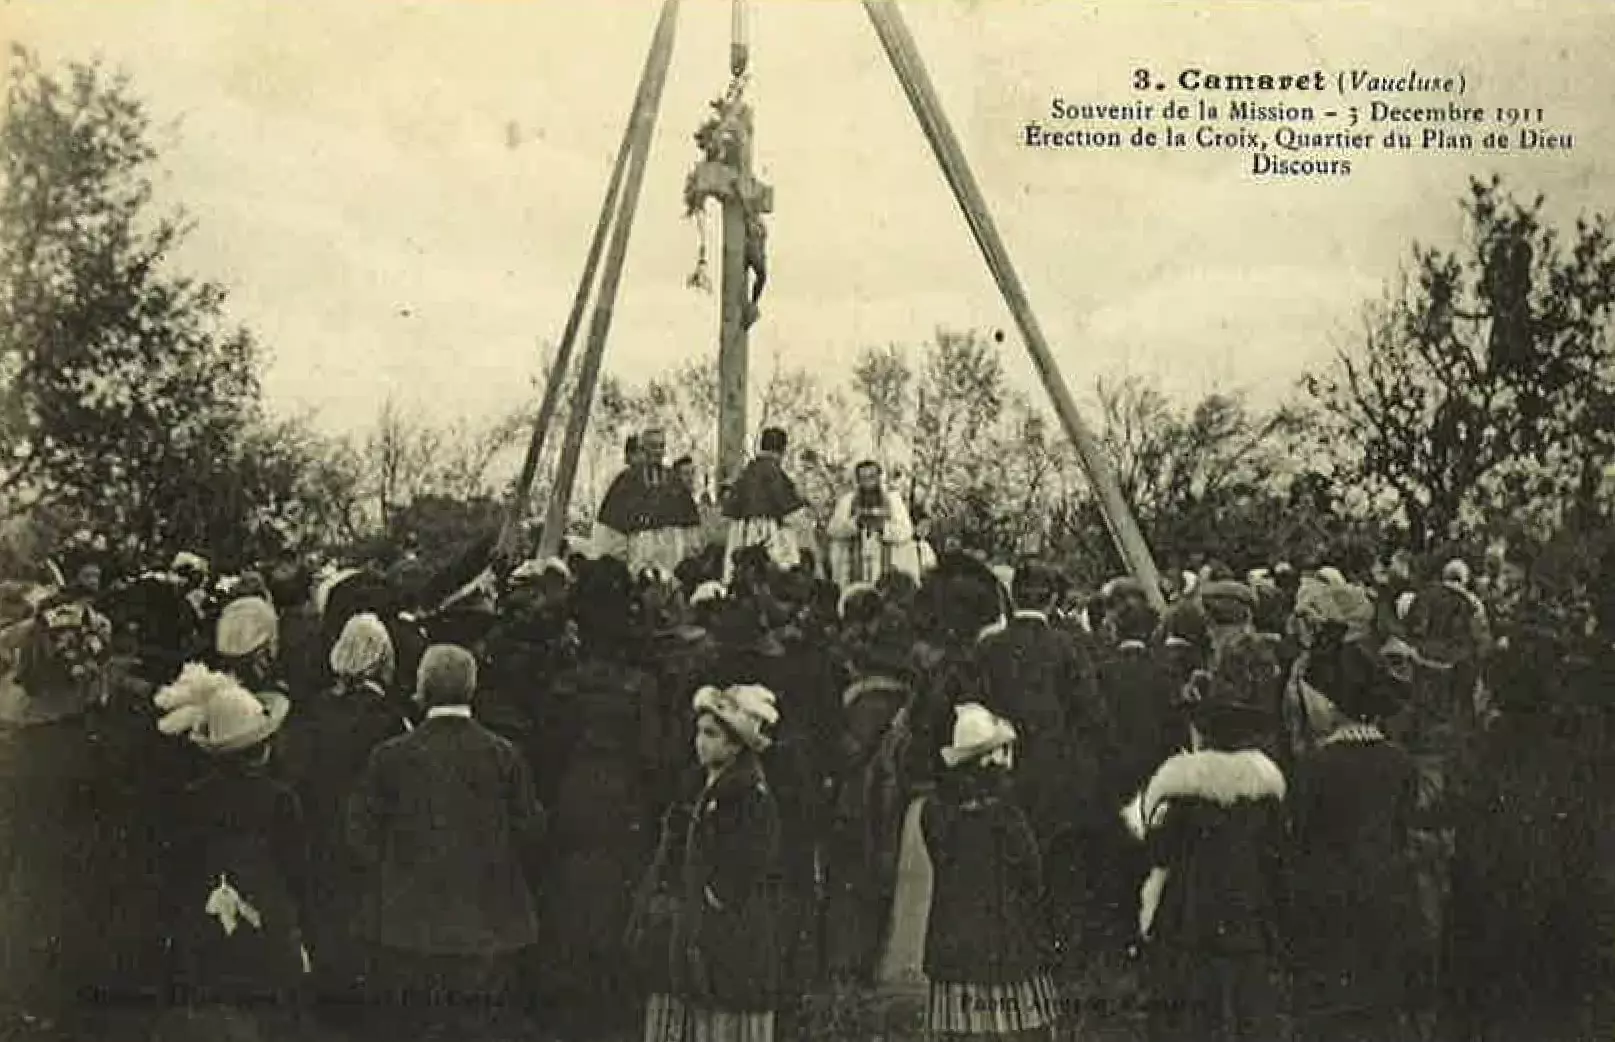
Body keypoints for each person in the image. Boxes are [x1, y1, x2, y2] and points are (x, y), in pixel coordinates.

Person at [346, 644, 546, 1041]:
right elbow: (532, 831)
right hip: (487, 928)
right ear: (472, 688)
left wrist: (394, 876)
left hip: (407, 927)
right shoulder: (504, 755)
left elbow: (359, 834)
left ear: (422, 687)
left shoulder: (390, 756)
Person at [1125, 632, 1288, 1042]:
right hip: (1250, 914)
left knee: (1193, 1013)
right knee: (1251, 1007)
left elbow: (1158, 851)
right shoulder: (1266, 786)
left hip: (1190, 918)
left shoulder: (1180, 787)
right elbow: (1276, 854)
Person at [152, 659, 307, 1041]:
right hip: (268, 922)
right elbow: (298, 870)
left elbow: (178, 867)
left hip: (206, 926)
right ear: (264, 746)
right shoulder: (280, 799)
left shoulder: (191, 798)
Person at [277, 612, 411, 1022]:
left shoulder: (315, 710)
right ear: (383, 658)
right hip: (370, 845)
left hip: (320, 838)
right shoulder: (391, 719)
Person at [641, 683, 784, 1042]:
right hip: (698, 930)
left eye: (711, 734)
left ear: (735, 744)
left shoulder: (749, 794)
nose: (700, 742)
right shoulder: (699, 786)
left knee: (726, 1018)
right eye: (699, 732)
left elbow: (751, 861)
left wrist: (714, 896)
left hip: (730, 933)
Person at [921, 703, 1060, 1041]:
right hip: (1006, 942)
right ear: (988, 759)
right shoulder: (1007, 816)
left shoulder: (937, 813)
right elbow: (1032, 875)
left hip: (955, 943)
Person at [596, 429, 704, 575]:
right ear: (643, 448)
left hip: (671, 558)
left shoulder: (675, 481)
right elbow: (612, 531)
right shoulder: (625, 481)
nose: (658, 451)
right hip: (637, 554)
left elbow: (690, 528)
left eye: (661, 446)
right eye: (653, 446)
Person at [723, 427, 810, 580]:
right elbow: (790, 512)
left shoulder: (747, 471)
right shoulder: (775, 472)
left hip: (741, 532)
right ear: (782, 449)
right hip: (768, 533)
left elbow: (730, 507)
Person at [826, 461, 921, 588]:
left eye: (871, 477)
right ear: (858, 480)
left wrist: (883, 527)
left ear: (878, 477)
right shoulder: (847, 500)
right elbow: (832, 530)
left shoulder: (893, 500)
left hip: (885, 564)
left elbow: (906, 532)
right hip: (854, 566)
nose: (868, 483)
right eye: (863, 478)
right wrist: (855, 524)